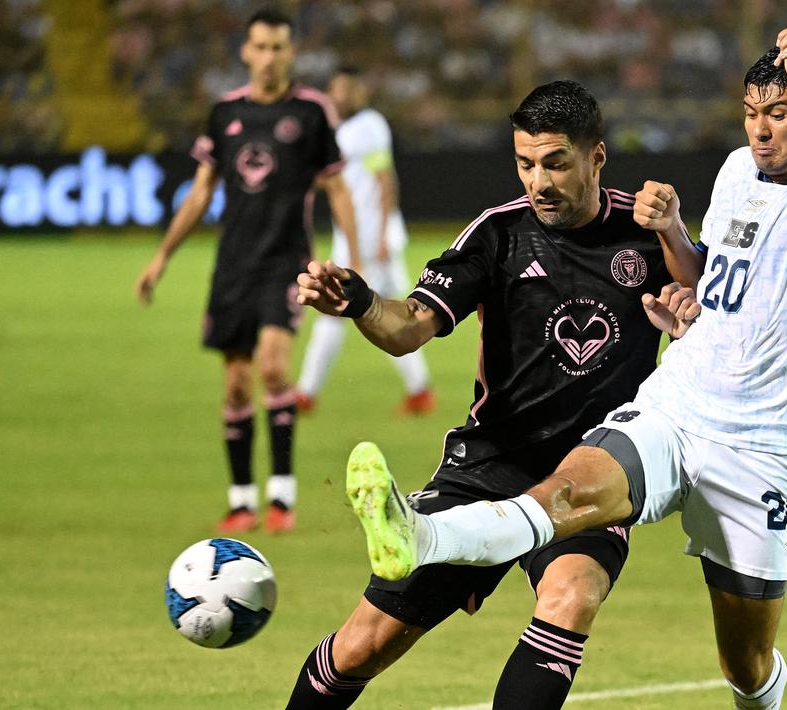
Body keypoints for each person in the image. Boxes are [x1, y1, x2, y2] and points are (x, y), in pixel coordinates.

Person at [345, 28, 787, 709]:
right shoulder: (735, 173)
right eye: (751, 114)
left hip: (759, 446)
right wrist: (679, 266)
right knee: (567, 497)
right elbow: (713, 286)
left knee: (746, 662)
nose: (760, 131)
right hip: (676, 405)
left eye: (780, 114)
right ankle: (420, 533)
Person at [285, 80, 704, 709]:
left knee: (572, 596)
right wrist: (360, 301)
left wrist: (677, 250)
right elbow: (408, 330)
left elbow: (714, 309)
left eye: (556, 163)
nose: (538, 181)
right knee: (364, 644)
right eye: (525, 163)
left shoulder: (646, 234)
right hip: (489, 465)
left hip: (595, 470)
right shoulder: (497, 235)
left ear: (597, 157)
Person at [134, 9, 358, 534]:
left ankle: (282, 495)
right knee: (235, 385)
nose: (269, 57)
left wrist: (358, 256)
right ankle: (240, 500)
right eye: (261, 47)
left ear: (291, 53)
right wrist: (162, 256)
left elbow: (337, 188)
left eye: (279, 47)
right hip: (233, 264)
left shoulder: (311, 111)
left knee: (274, 369)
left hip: (287, 263)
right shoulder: (225, 112)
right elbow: (201, 190)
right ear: (246, 51)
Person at [293, 66, 435, 416]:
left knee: (337, 315)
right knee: (390, 317)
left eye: (350, 89)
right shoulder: (337, 130)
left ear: (362, 93)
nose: (344, 95)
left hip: (370, 240)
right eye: (338, 89)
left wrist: (383, 235)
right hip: (356, 237)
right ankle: (420, 391)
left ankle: (305, 394)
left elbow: (385, 181)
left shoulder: (369, 126)